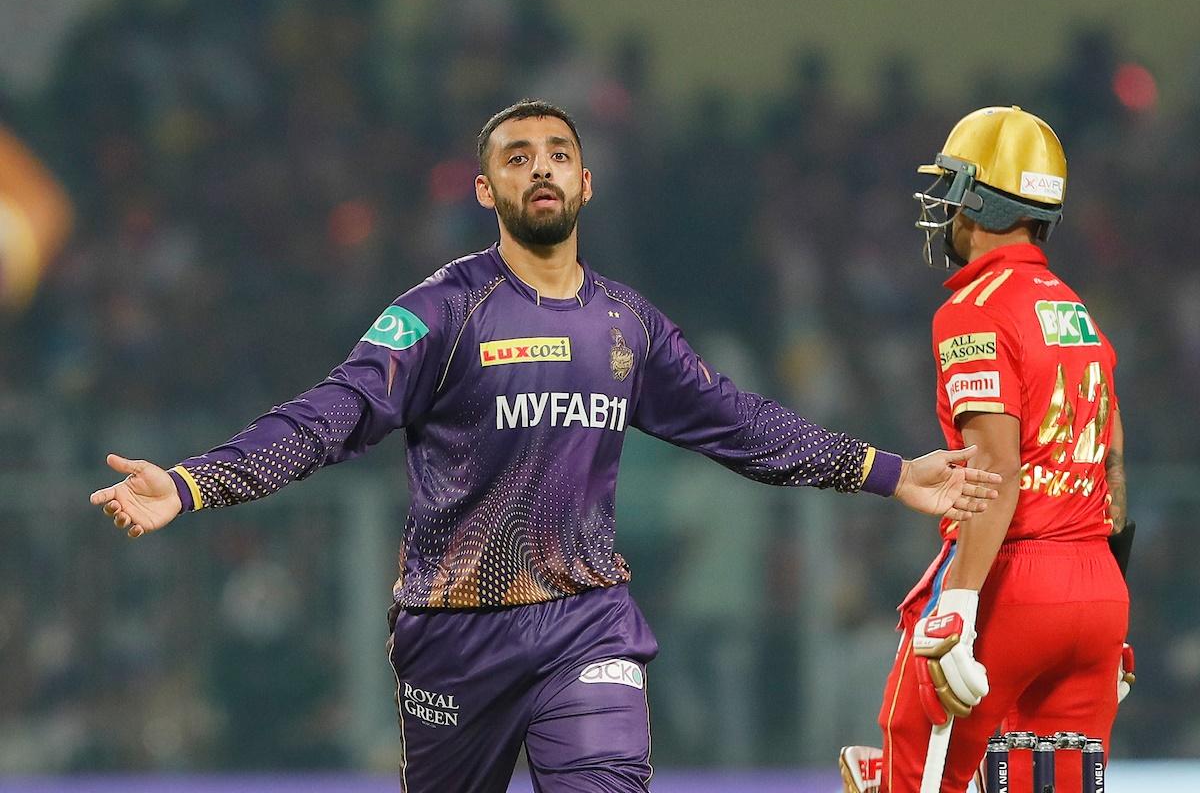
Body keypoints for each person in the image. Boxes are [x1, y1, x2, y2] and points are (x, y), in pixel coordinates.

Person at [91, 99, 1001, 793]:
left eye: (560, 156)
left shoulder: (628, 324)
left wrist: (888, 471)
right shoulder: (440, 313)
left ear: (586, 184)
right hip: (454, 637)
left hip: (584, 621)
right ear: (486, 192)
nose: (542, 170)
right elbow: (332, 413)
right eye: (517, 159)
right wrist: (193, 483)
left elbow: (741, 423)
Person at [872, 106, 1133, 793]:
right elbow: (1111, 455)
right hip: (1099, 590)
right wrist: (1106, 602)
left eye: (954, 188)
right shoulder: (1075, 308)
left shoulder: (973, 308)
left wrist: (957, 604)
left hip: (1013, 580)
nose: (944, 207)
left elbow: (995, 466)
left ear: (979, 202)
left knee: (913, 761)